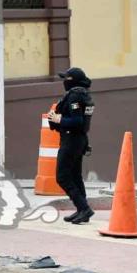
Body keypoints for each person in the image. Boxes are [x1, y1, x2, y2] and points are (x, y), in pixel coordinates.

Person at [48, 67, 95, 224]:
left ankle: (84, 208)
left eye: (65, 79)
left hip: (71, 140)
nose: (63, 82)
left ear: (71, 81)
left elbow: (77, 121)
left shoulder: (75, 96)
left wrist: (58, 119)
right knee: (75, 176)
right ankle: (82, 210)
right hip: (79, 140)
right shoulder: (84, 94)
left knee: (62, 177)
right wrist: (57, 120)